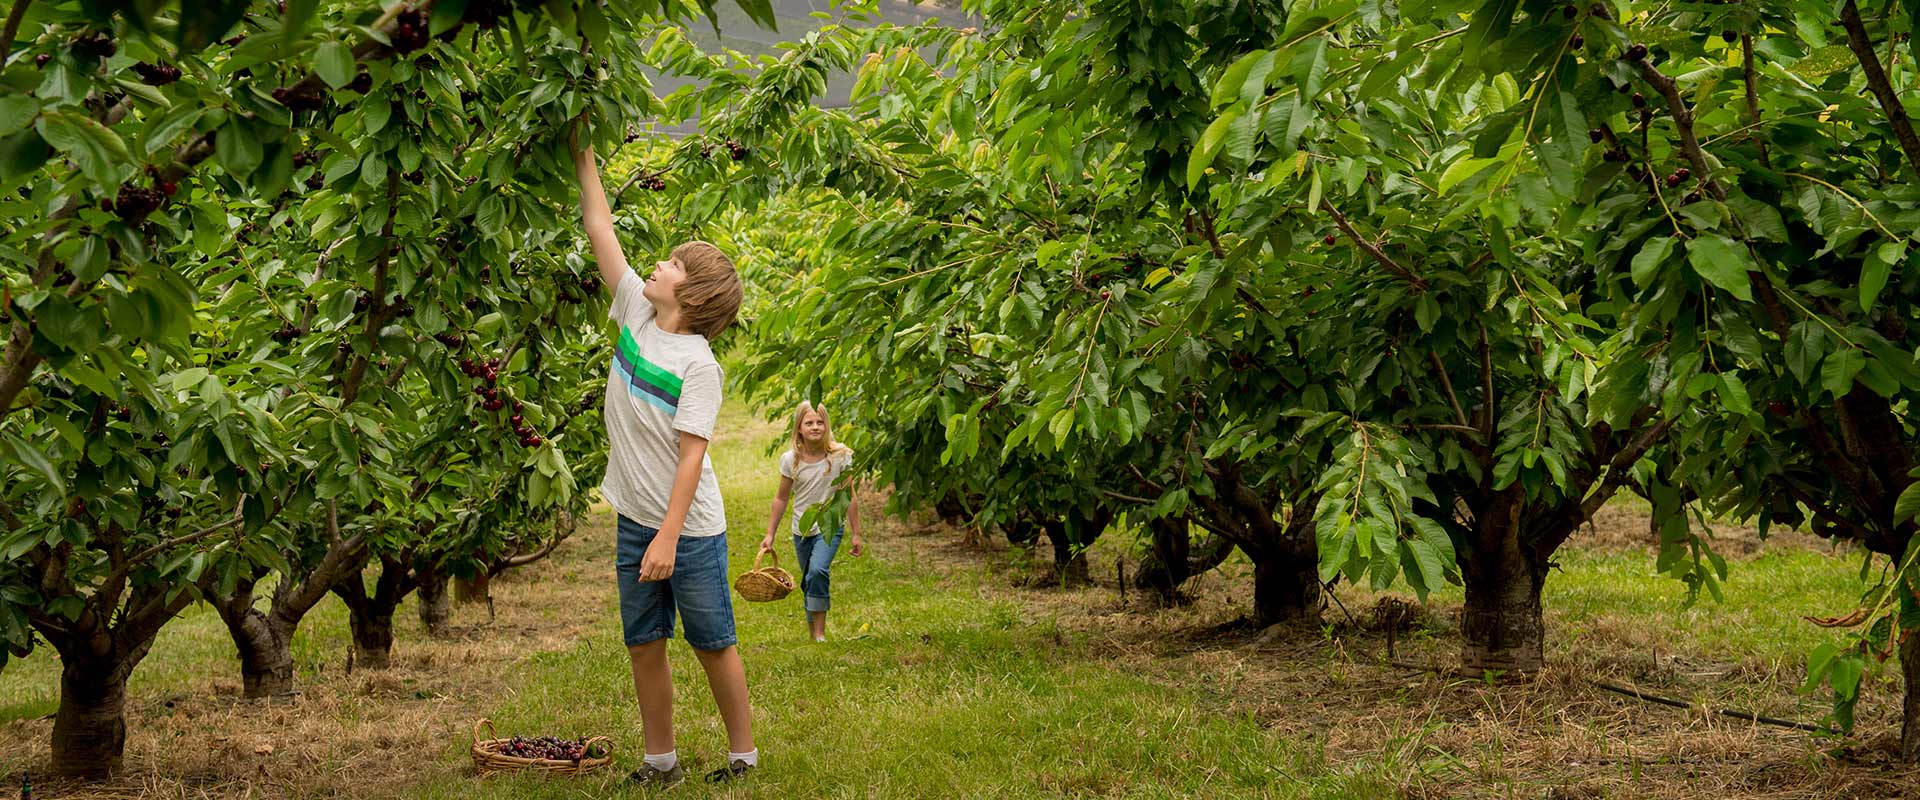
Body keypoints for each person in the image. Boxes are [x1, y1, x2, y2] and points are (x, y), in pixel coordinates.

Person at [572, 118, 755, 787]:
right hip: (635, 521)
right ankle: (661, 761)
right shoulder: (637, 314)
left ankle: (742, 756)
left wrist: (669, 539)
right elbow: (601, 230)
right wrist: (585, 159)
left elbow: (691, 457)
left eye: (673, 264)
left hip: (690, 530)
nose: (659, 263)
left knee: (711, 641)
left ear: (694, 295)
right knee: (643, 642)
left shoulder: (698, 364)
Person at [760, 402, 864, 642]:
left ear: (826, 426)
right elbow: (781, 498)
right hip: (801, 529)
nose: (815, 427)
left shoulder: (841, 456)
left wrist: (856, 533)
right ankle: (812, 631)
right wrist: (770, 534)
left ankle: (820, 633)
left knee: (818, 570)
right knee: (809, 579)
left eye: (820, 422)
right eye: (809, 423)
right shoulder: (790, 460)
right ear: (799, 429)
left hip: (830, 526)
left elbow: (850, 495)